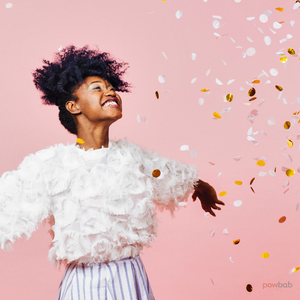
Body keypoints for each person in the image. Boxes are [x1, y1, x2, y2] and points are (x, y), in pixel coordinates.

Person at [0, 45, 225, 300]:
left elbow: (168, 174)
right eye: (97, 87)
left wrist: (201, 186)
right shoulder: (51, 165)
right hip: (84, 285)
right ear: (73, 106)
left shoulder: (133, 157)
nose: (110, 91)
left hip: (132, 278)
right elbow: (8, 204)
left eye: (112, 87)